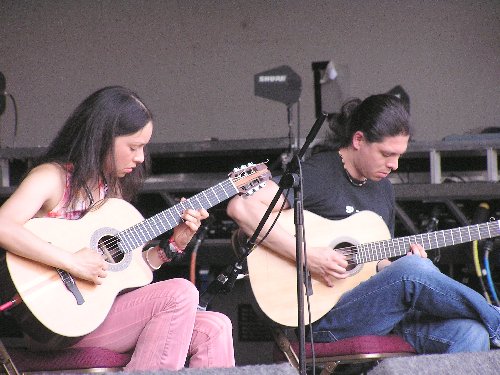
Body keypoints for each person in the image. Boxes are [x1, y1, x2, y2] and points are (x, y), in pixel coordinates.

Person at [227, 94, 500, 354]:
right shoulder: (320, 172)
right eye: (386, 154)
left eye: (399, 156)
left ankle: (491, 327)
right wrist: (308, 256)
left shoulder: (383, 190)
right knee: (415, 271)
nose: (394, 165)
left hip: (374, 312)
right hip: (322, 319)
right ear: (358, 139)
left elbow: (376, 266)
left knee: (471, 333)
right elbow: (241, 206)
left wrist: (400, 267)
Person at [0, 86, 235, 371]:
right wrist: (71, 261)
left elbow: (126, 271)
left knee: (216, 326)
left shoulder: (109, 192)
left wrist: (173, 245)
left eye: (143, 147)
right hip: (61, 322)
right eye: (133, 147)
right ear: (101, 140)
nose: (139, 157)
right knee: (180, 293)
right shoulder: (51, 177)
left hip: (102, 314)